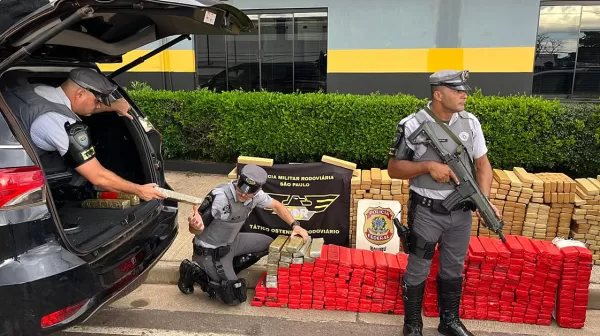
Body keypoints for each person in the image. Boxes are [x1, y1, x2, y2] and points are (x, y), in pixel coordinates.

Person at [387, 70, 500, 336]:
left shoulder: (470, 123)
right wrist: (427, 166)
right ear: (438, 94)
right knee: (418, 268)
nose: (464, 95)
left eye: (464, 90)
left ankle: (449, 321)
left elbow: (483, 165)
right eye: (457, 90)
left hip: (461, 214)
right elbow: (394, 169)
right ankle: (413, 325)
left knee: (453, 267)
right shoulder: (412, 124)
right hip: (427, 211)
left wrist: (483, 201)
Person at [3, 67, 166, 202]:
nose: (98, 105)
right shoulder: (60, 124)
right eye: (97, 101)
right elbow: (98, 176)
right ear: (80, 93)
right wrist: (139, 190)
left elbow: (73, 106)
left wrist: (111, 106)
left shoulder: (37, 90)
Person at [177, 164, 309, 306]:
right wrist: (194, 226)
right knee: (234, 298)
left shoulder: (257, 196)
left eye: (249, 192)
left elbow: (277, 205)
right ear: (239, 179)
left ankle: (228, 270)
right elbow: (196, 230)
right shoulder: (220, 197)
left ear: (258, 190)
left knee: (268, 244)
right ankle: (193, 271)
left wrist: (295, 225)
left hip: (231, 243)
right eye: (241, 187)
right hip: (210, 251)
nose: (243, 194)